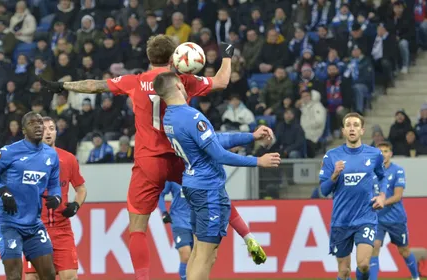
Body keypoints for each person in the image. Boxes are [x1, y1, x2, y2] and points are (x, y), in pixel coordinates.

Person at [40, 35, 266, 278]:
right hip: (180, 158)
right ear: (173, 58)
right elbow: (222, 81)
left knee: (137, 229)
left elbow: (96, 85)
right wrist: (227, 54)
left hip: (148, 163)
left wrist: (64, 86)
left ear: (149, 58)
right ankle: (247, 235)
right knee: (215, 192)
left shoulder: (135, 81)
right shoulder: (182, 81)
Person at [154, 71, 281, 279]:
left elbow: (213, 140)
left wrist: (250, 136)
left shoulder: (170, 117)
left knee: (203, 253)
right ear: (178, 87)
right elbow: (218, 153)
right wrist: (258, 161)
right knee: (204, 255)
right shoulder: (191, 116)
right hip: (207, 190)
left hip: (195, 185)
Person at [0, 112, 61, 280]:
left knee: (49, 274)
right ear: (23, 130)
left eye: (39, 122)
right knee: (14, 276)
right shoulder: (9, 152)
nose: (37, 126)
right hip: (8, 222)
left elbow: (54, 183)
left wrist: (56, 197)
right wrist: (2, 190)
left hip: (33, 223)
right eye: (32, 123)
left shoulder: (51, 155)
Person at [319, 112, 387, 280]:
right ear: (343, 131)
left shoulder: (374, 154)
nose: (352, 128)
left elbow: (383, 176)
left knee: (363, 265)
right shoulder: (331, 156)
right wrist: (334, 175)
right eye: (348, 125)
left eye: (356, 125)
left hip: (365, 218)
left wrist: (382, 196)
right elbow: (324, 190)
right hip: (341, 220)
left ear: (362, 130)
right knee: (344, 271)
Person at [24, 116, 87, 280]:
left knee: (70, 277)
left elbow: (81, 189)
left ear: (56, 132)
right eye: (44, 129)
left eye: (51, 128)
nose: (48, 133)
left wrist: (75, 205)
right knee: (32, 278)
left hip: (62, 229)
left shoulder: (68, 159)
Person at [370, 142, 420, 280]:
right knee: (374, 247)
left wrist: (381, 202)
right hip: (378, 219)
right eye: (380, 151)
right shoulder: (371, 172)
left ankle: (415, 277)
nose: (383, 154)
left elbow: (398, 196)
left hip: (396, 218)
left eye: (386, 151)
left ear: (390, 154)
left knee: (404, 251)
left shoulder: (398, 170)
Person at [158, 181, 193, 280]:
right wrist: (164, 212)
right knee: (185, 253)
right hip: (179, 221)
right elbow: (160, 194)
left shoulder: (198, 173)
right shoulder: (173, 175)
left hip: (197, 223)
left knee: (196, 259)